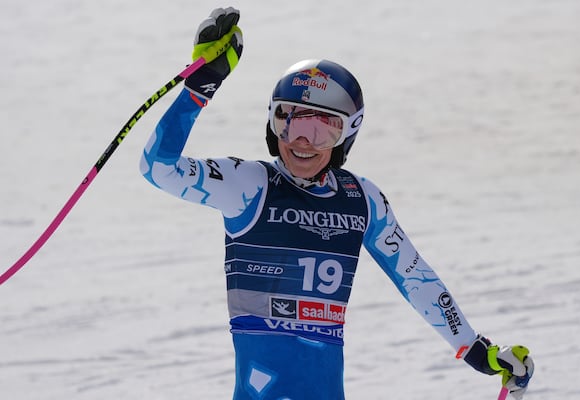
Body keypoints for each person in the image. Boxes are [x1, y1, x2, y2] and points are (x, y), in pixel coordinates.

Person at [139, 7, 534, 400]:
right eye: (288, 121)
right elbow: (159, 168)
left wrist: (479, 352)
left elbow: (416, 279)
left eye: (321, 128)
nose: (302, 141)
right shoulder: (250, 185)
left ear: (348, 136)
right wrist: (200, 86)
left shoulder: (362, 200)